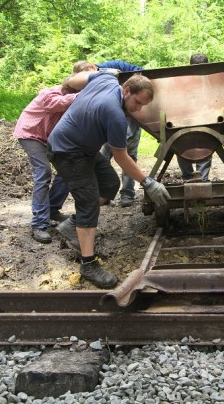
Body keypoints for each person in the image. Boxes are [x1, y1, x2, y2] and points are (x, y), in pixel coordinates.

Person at [47, 70, 170, 288]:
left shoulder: (106, 78)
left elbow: (75, 79)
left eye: (143, 106)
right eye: (137, 102)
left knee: (110, 184)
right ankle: (88, 265)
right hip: (67, 151)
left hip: (84, 148)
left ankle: (74, 225)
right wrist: (148, 182)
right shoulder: (114, 114)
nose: (138, 109)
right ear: (127, 90)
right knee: (88, 201)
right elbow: (121, 157)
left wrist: (66, 84)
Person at [13, 66, 93, 244]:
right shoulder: (49, 93)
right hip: (30, 134)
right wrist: (84, 95)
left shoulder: (73, 100)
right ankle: (39, 224)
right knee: (43, 173)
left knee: (67, 171)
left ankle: (52, 209)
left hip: (50, 138)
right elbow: (54, 104)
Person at [94, 60, 144, 207]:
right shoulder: (101, 72)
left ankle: (127, 193)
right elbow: (95, 70)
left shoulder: (124, 67)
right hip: (111, 123)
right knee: (104, 157)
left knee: (130, 156)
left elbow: (141, 71)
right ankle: (104, 193)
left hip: (132, 120)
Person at [176, 53, 212, 181]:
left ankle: (188, 177)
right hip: (206, 121)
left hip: (187, 122)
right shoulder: (212, 80)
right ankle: (202, 179)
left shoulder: (181, 81)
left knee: (179, 144)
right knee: (207, 143)